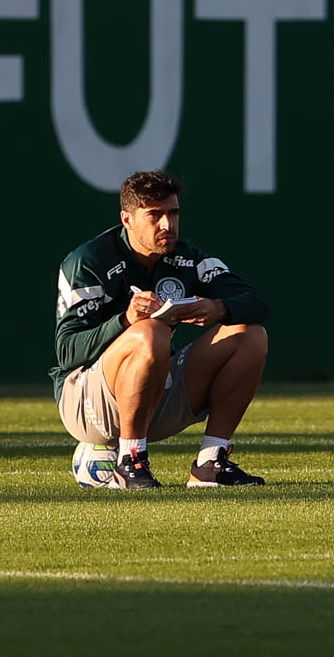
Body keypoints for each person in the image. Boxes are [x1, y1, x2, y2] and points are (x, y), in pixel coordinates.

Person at [48, 170, 272, 489]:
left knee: (250, 336)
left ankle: (210, 462)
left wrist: (219, 308)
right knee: (150, 332)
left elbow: (259, 302)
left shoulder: (186, 258)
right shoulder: (89, 261)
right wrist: (124, 320)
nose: (167, 225)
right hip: (86, 401)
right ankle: (130, 461)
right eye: (154, 215)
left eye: (173, 213)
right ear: (127, 219)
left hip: (154, 392)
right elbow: (68, 351)